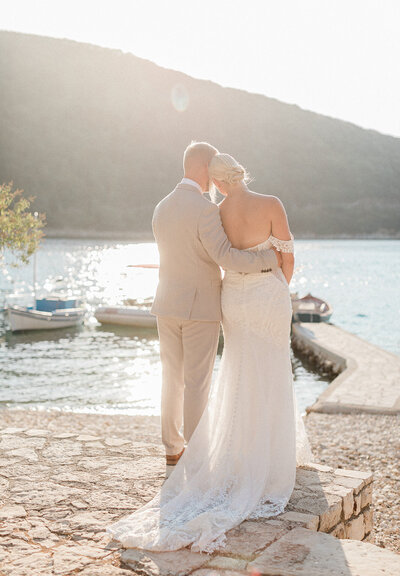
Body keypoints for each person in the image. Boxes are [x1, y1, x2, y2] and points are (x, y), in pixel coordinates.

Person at [106, 144, 313, 553]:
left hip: (174, 303)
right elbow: (240, 256)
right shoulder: (216, 208)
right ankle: (201, 459)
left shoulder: (164, 207)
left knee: (181, 378)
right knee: (209, 380)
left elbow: (186, 255)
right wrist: (269, 270)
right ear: (211, 171)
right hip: (214, 303)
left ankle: (173, 448)